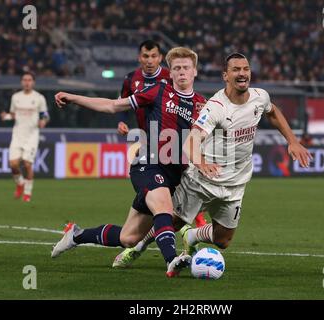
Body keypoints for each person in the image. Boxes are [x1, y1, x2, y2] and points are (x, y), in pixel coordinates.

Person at [113, 53, 312, 267]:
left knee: (223, 240)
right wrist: (202, 164)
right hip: (202, 179)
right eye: (236, 69)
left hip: (235, 183)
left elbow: (272, 111)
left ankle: (192, 237)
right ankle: (137, 247)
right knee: (172, 221)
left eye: (245, 69)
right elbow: (191, 142)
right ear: (226, 75)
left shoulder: (259, 96)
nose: (242, 73)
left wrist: (292, 141)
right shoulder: (216, 107)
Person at [51, 47, 207, 278]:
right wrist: (74, 98)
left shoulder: (203, 106)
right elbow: (113, 105)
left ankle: (76, 235)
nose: (181, 72)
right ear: (170, 73)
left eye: (186, 68)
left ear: (194, 71)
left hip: (174, 174)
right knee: (164, 207)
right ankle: (171, 260)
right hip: (148, 163)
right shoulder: (157, 91)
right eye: (176, 68)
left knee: (129, 237)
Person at [118, 40, 207, 228]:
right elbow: (121, 102)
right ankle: (160, 227)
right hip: (146, 138)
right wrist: (123, 120)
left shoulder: (170, 77)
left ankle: (186, 219)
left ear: (160, 58)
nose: (149, 60)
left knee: (175, 191)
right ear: (139, 57)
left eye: (153, 56)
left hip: (173, 143)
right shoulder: (130, 79)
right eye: (145, 56)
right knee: (158, 196)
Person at [0, 71, 49, 202]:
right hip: (17, 135)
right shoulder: (16, 97)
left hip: (32, 135)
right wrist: (7, 117)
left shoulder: (39, 98)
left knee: (27, 164)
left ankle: (27, 192)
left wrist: (43, 121)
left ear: (33, 82)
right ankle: (20, 183)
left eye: (29, 80)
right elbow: (13, 114)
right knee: (13, 164)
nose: (27, 82)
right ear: (22, 82)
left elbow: (45, 114)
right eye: (25, 80)